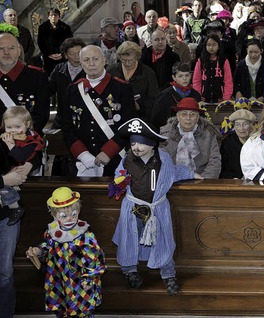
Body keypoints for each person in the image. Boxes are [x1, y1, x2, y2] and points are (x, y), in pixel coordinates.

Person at [111, 118, 202, 295]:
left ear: (152, 144)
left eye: (141, 143)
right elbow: (119, 176)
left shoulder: (163, 159)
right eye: (133, 143)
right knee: (129, 239)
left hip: (157, 210)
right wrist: (118, 183)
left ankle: (168, 274)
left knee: (162, 240)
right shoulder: (126, 160)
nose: (136, 147)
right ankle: (130, 271)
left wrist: (191, 173)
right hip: (133, 209)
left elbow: (174, 172)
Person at [25, 187, 106, 317]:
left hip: (79, 281)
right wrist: (38, 250)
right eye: (63, 216)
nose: (69, 219)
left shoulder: (85, 235)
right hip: (58, 279)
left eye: (74, 214)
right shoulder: (52, 232)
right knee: (62, 308)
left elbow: (95, 259)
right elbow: (48, 246)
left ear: (79, 211)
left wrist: (89, 279)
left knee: (81, 309)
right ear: (54, 215)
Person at [60, 45, 136, 177]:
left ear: (105, 60)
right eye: (86, 60)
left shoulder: (122, 88)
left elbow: (129, 124)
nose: (91, 64)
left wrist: (108, 151)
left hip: (114, 158)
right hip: (82, 159)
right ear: (81, 62)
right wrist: (82, 154)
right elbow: (66, 125)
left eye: (95, 59)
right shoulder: (72, 90)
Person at [0, 106, 44, 225]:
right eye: (9, 127)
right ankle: (15, 207)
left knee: (7, 190)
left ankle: (16, 207)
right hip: (7, 175)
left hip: (18, 172)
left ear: (27, 124)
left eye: (17, 127)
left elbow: (23, 157)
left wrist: (30, 164)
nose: (12, 131)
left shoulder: (31, 139)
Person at [0, 31, 50, 134]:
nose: (6, 52)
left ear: (19, 51)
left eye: (11, 48)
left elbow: (41, 116)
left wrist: (20, 138)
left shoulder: (37, 77)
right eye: (1, 48)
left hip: (27, 143)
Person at [160, 97, 221, 179]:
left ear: (197, 118)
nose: (188, 118)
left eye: (192, 114)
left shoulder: (209, 134)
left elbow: (214, 161)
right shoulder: (166, 134)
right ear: (178, 117)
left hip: (202, 180)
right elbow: (162, 162)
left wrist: (204, 182)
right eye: (184, 114)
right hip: (172, 180)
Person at [0, 152, 28, 318]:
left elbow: (23, 156)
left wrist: (21, 168)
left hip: (5, 217)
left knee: (5, 273)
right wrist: (4, 181)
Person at [107, 41, 159, 122]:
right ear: (119, 57)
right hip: (115, 115)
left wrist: (139, 106)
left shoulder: (148, 73)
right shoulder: (111, 70)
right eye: (124, 60)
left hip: (140, 118)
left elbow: (154, 99)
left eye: (131, 60)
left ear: (137, 57)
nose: (127, 63)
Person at [48, 37, 85, 129]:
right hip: (63, 115)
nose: (77, 57)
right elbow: (48, 89)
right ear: (65, 55)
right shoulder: (59, 69)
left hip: (84, 116)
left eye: (79, 53)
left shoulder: (89, 69)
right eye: (72, 54)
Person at [151, 62, 202, 128]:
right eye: (180, 76)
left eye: (187, 75)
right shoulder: (164, 95)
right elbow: (157, 119)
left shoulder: (196, 95)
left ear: (191, 76)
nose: (184, 79)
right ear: (174, 77)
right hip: (169, 131)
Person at [192, 34, 233, 103]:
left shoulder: (223, 61)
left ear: (218, 46)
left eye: (214, 45)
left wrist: (226, 99)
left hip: (220, 99)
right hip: (204, 99)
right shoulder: (201, 61)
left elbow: (228, 81)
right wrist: (197, 97)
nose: (211, 47)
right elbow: (196, 81)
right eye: (209, 45)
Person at [219, 109, 256, 179]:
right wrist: (233, 178)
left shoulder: (258, 141)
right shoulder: (228, 142)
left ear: (251, 126)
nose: (241, 128)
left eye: (245, 124)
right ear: (234, 127)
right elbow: (223, 168)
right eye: (238, 125)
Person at [38, 8, 73, 74]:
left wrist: (62, 54)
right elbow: (40, 43)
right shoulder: (42, 28)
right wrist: (49, 54)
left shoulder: (65, 28)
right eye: (51, 15)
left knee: (62, 75)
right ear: (48, 17)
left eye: (56, 15)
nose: (53, 17)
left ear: (59, 17)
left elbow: (69, 42)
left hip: (62, 57)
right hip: (49, 57)